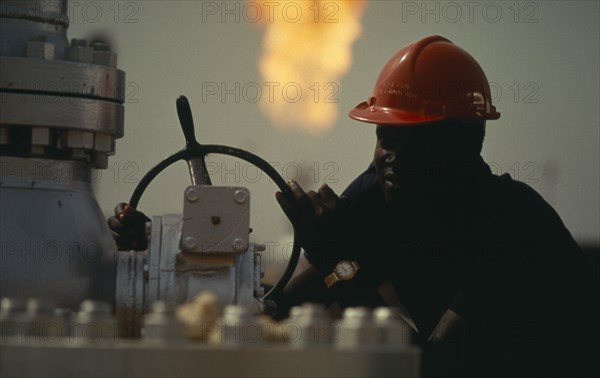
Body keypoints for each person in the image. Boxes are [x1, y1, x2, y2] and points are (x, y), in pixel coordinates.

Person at [110, 36, 599, 377]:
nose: (391, 156)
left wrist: (346, 264)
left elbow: (431, 366)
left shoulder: (513, 227)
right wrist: (166, 253)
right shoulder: (380, 195)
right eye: (385, 137)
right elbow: (297, 295)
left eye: (414, 141)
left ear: (465, 148)